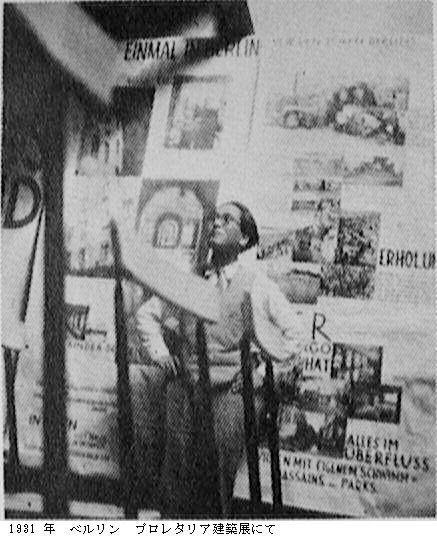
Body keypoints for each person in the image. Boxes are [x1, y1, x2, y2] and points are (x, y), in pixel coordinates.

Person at [134, 201, 306, 516]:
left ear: (244, 238)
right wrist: (160, 354)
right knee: (175, 474)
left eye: (227, 220)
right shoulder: (190, 279)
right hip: (186, 388)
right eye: (215, 218)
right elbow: (147, 314)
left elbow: (295, 335)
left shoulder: (256, 285)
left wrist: (258, 375)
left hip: (229, 394)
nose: (216, 223)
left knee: (216, 478)